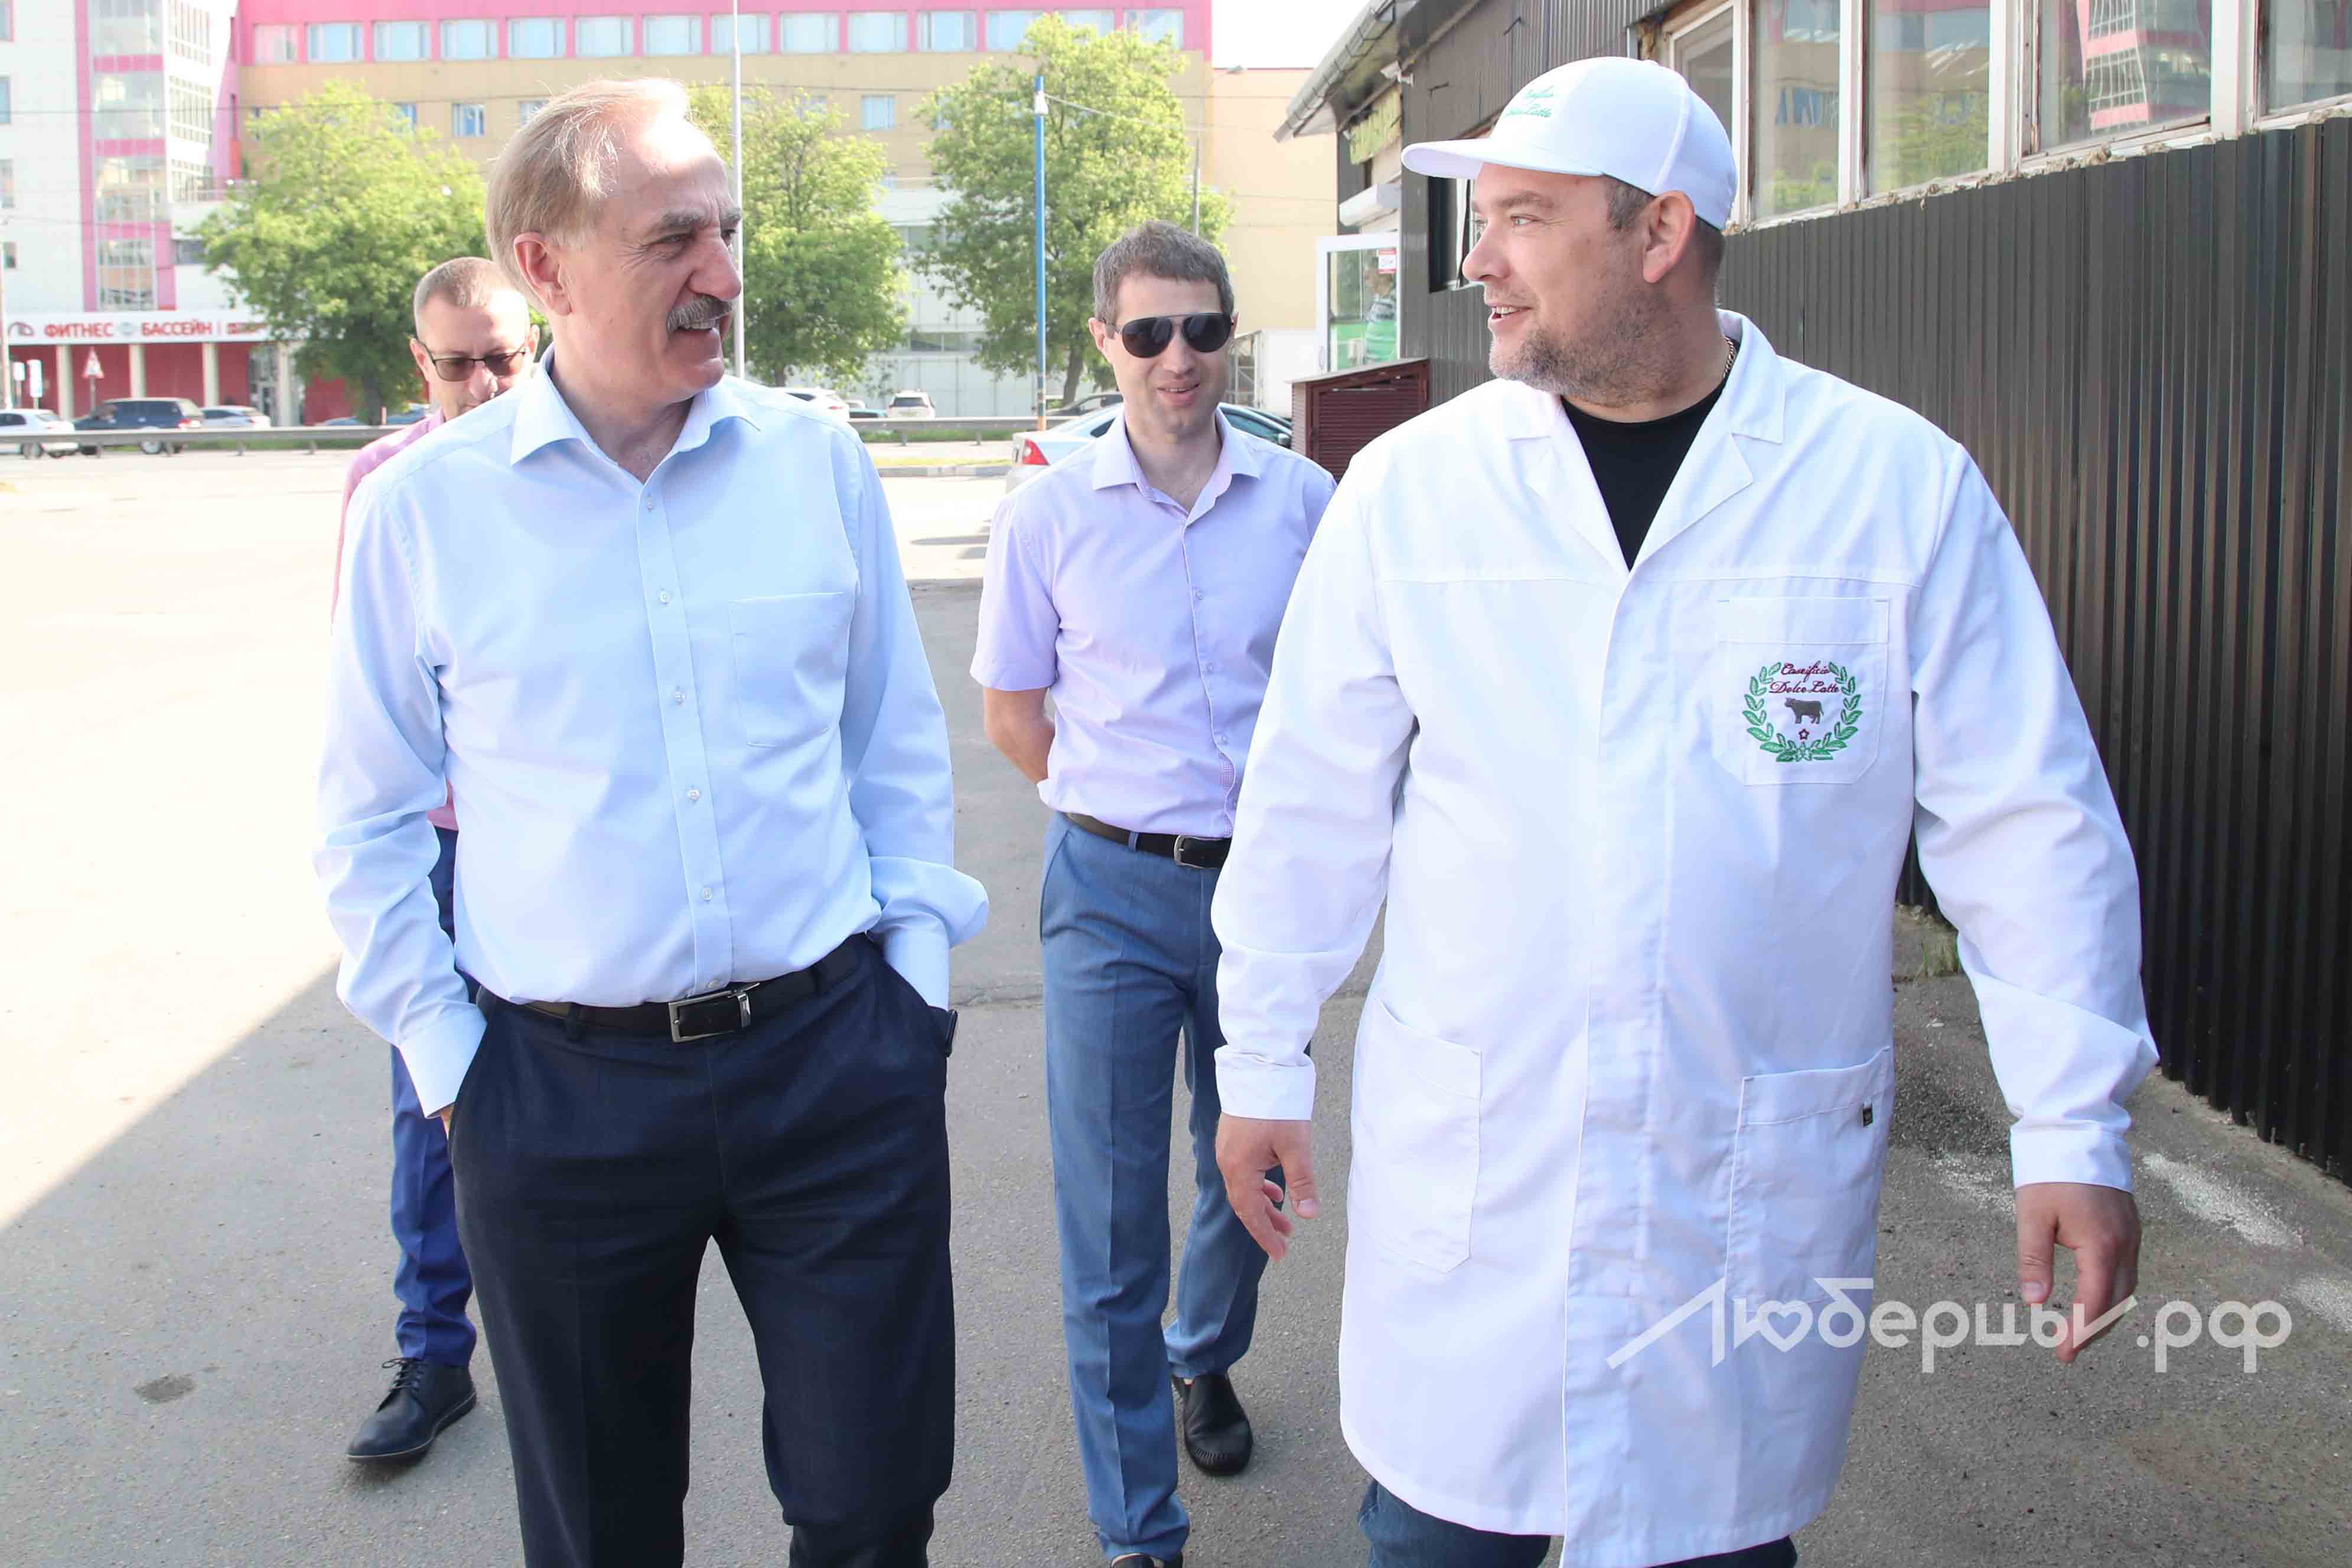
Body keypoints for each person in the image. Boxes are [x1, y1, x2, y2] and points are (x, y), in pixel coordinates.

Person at [1207, 57, 2158, 1568]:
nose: (1477, 262)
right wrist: (1260, 1054)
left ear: (1657, 232)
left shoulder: (1888, 488)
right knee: (1443, 1529)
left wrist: (2069, 1123)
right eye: (1479, 219)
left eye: (1523, 219)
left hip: (1736, 1193)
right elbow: (1308, 801)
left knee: (1707, 1535)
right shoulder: (1412, 490)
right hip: (1480, 1180)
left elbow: (2025, 822)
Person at [315, 79, 985, 1566]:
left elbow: (891, 745)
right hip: (559, 1099)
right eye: (675, 238)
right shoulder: (426, 509)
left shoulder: (814, 463)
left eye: (728, 232)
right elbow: (364, 815)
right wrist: (451, 1063)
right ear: (544, 266)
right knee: (602, 1530)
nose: (724, 275)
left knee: (875, 1505)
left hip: (835, 1066)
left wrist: (913, 988)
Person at [971, 221, 1335, 1568]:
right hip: (1111, 889)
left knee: (1251, 1163)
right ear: (1104, 344)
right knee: (1111, 1217)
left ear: (1228, 335)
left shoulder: (1304, 503)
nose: (1176, 358)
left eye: (1201, 329)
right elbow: (1014, 712)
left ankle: (1203, 1351)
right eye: (1146, 333)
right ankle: (1137, 1528)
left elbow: (1347, 697)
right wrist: (1117, 809)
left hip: (1265, 894)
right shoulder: (1049, 514)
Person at [332, 255, 536, 1466]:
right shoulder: (385, 484)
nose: (483, 382)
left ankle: (577, 1315)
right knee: (433, 1097)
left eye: (502, 356)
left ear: (534, 343)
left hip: (551, 841)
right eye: (457, 363)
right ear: (421, 363)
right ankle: (434, 1352)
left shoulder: (574, 466)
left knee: (579, 1081)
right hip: (445, 846)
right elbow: (368, 697)